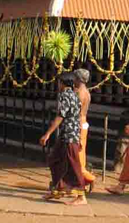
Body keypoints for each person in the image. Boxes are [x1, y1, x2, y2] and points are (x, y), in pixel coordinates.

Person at [39, 72, 87, 205]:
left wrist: (48, 133)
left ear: (63, 83)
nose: (57, 85)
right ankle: (58, 189)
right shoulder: (74, 95)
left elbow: (60, 116)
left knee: (73, 164)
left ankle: (81, 195)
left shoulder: (65, 95)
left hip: (70, 135)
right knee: (54, 159)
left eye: (59, 82)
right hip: (67, 134)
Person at [73, 68, 97, 191]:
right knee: (79, 155)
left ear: (78, 79)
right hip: (84, 124)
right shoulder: (87, 92)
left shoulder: (79, 93)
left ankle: (89, 178)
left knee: (76, 156)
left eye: (75, 78)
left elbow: (75, 113)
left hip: (78, 125)